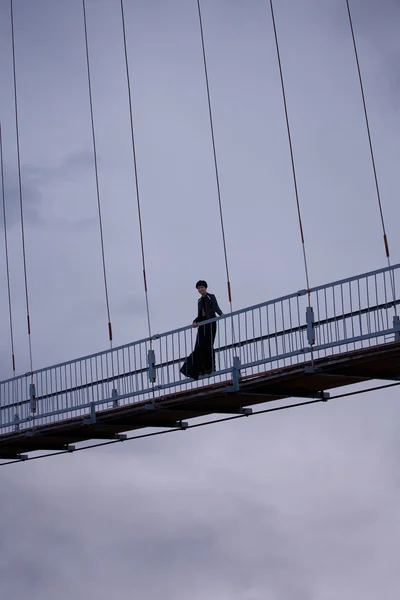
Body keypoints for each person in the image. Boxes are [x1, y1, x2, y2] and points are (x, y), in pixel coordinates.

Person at [180, 280, 223, 380]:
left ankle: (209, 367)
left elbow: (215, 307)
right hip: (202, 325)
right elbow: (200, 314)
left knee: (208, 344)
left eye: (202, 287)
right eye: (198, 288)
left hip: (211, 323)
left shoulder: (210, 296)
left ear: (205, 288)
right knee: (199, 346)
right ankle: (198, 369)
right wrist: (195, 321)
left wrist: (221, 314)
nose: (200, 289)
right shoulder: (199, 301)